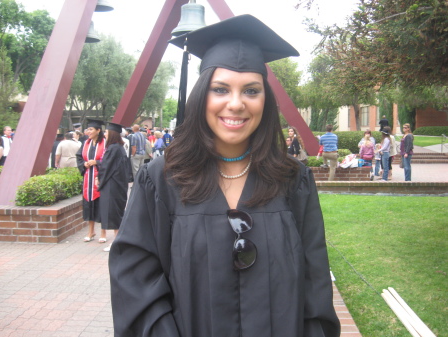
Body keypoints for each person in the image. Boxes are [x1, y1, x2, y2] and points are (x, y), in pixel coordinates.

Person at [109, 15, 340, 337]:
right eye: (221, 89)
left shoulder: (293, 180)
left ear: (265, 101)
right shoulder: (161, 179)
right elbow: (135, 281)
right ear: (202, 96)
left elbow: (314, 285)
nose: (236, 104)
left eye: (251, 90)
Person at [97, 123, 130, 252]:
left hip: (112, 186)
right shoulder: (119, 148)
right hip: (118, 185)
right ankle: (117, 241)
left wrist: (99, 180)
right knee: (116, 212)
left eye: (106, 132)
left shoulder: (113, 148)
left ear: (112, 134)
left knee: (114, 213)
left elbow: (106, 167)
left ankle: (117, 242)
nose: (104, 134)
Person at [76, 119, 106, 242]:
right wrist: (84, 164)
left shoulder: (105, 143)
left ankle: (103, 233)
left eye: (91, 129)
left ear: (98, 130)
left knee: (102, 205)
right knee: (89, 205)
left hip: (100, 178)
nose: (88, 131)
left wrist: (97, 162)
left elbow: (110, 160)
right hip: (88, 178)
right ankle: (91, 231)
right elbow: (79, 157)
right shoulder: (86, 143)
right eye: (88, 129)